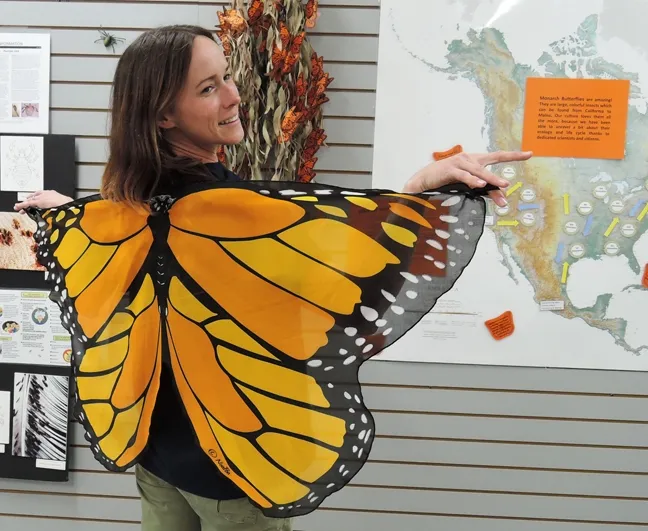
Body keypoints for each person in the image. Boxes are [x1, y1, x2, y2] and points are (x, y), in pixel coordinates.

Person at [14, 24, 532, 531]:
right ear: (165, 115)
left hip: (153, 457)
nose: (234, 97)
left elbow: (111, 253)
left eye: (227, 77)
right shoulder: (229, 213)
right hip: (235, 472)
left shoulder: (125, 203)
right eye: (209, 87)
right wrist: (420, 198)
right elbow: (350, 272)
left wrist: (65, 214)